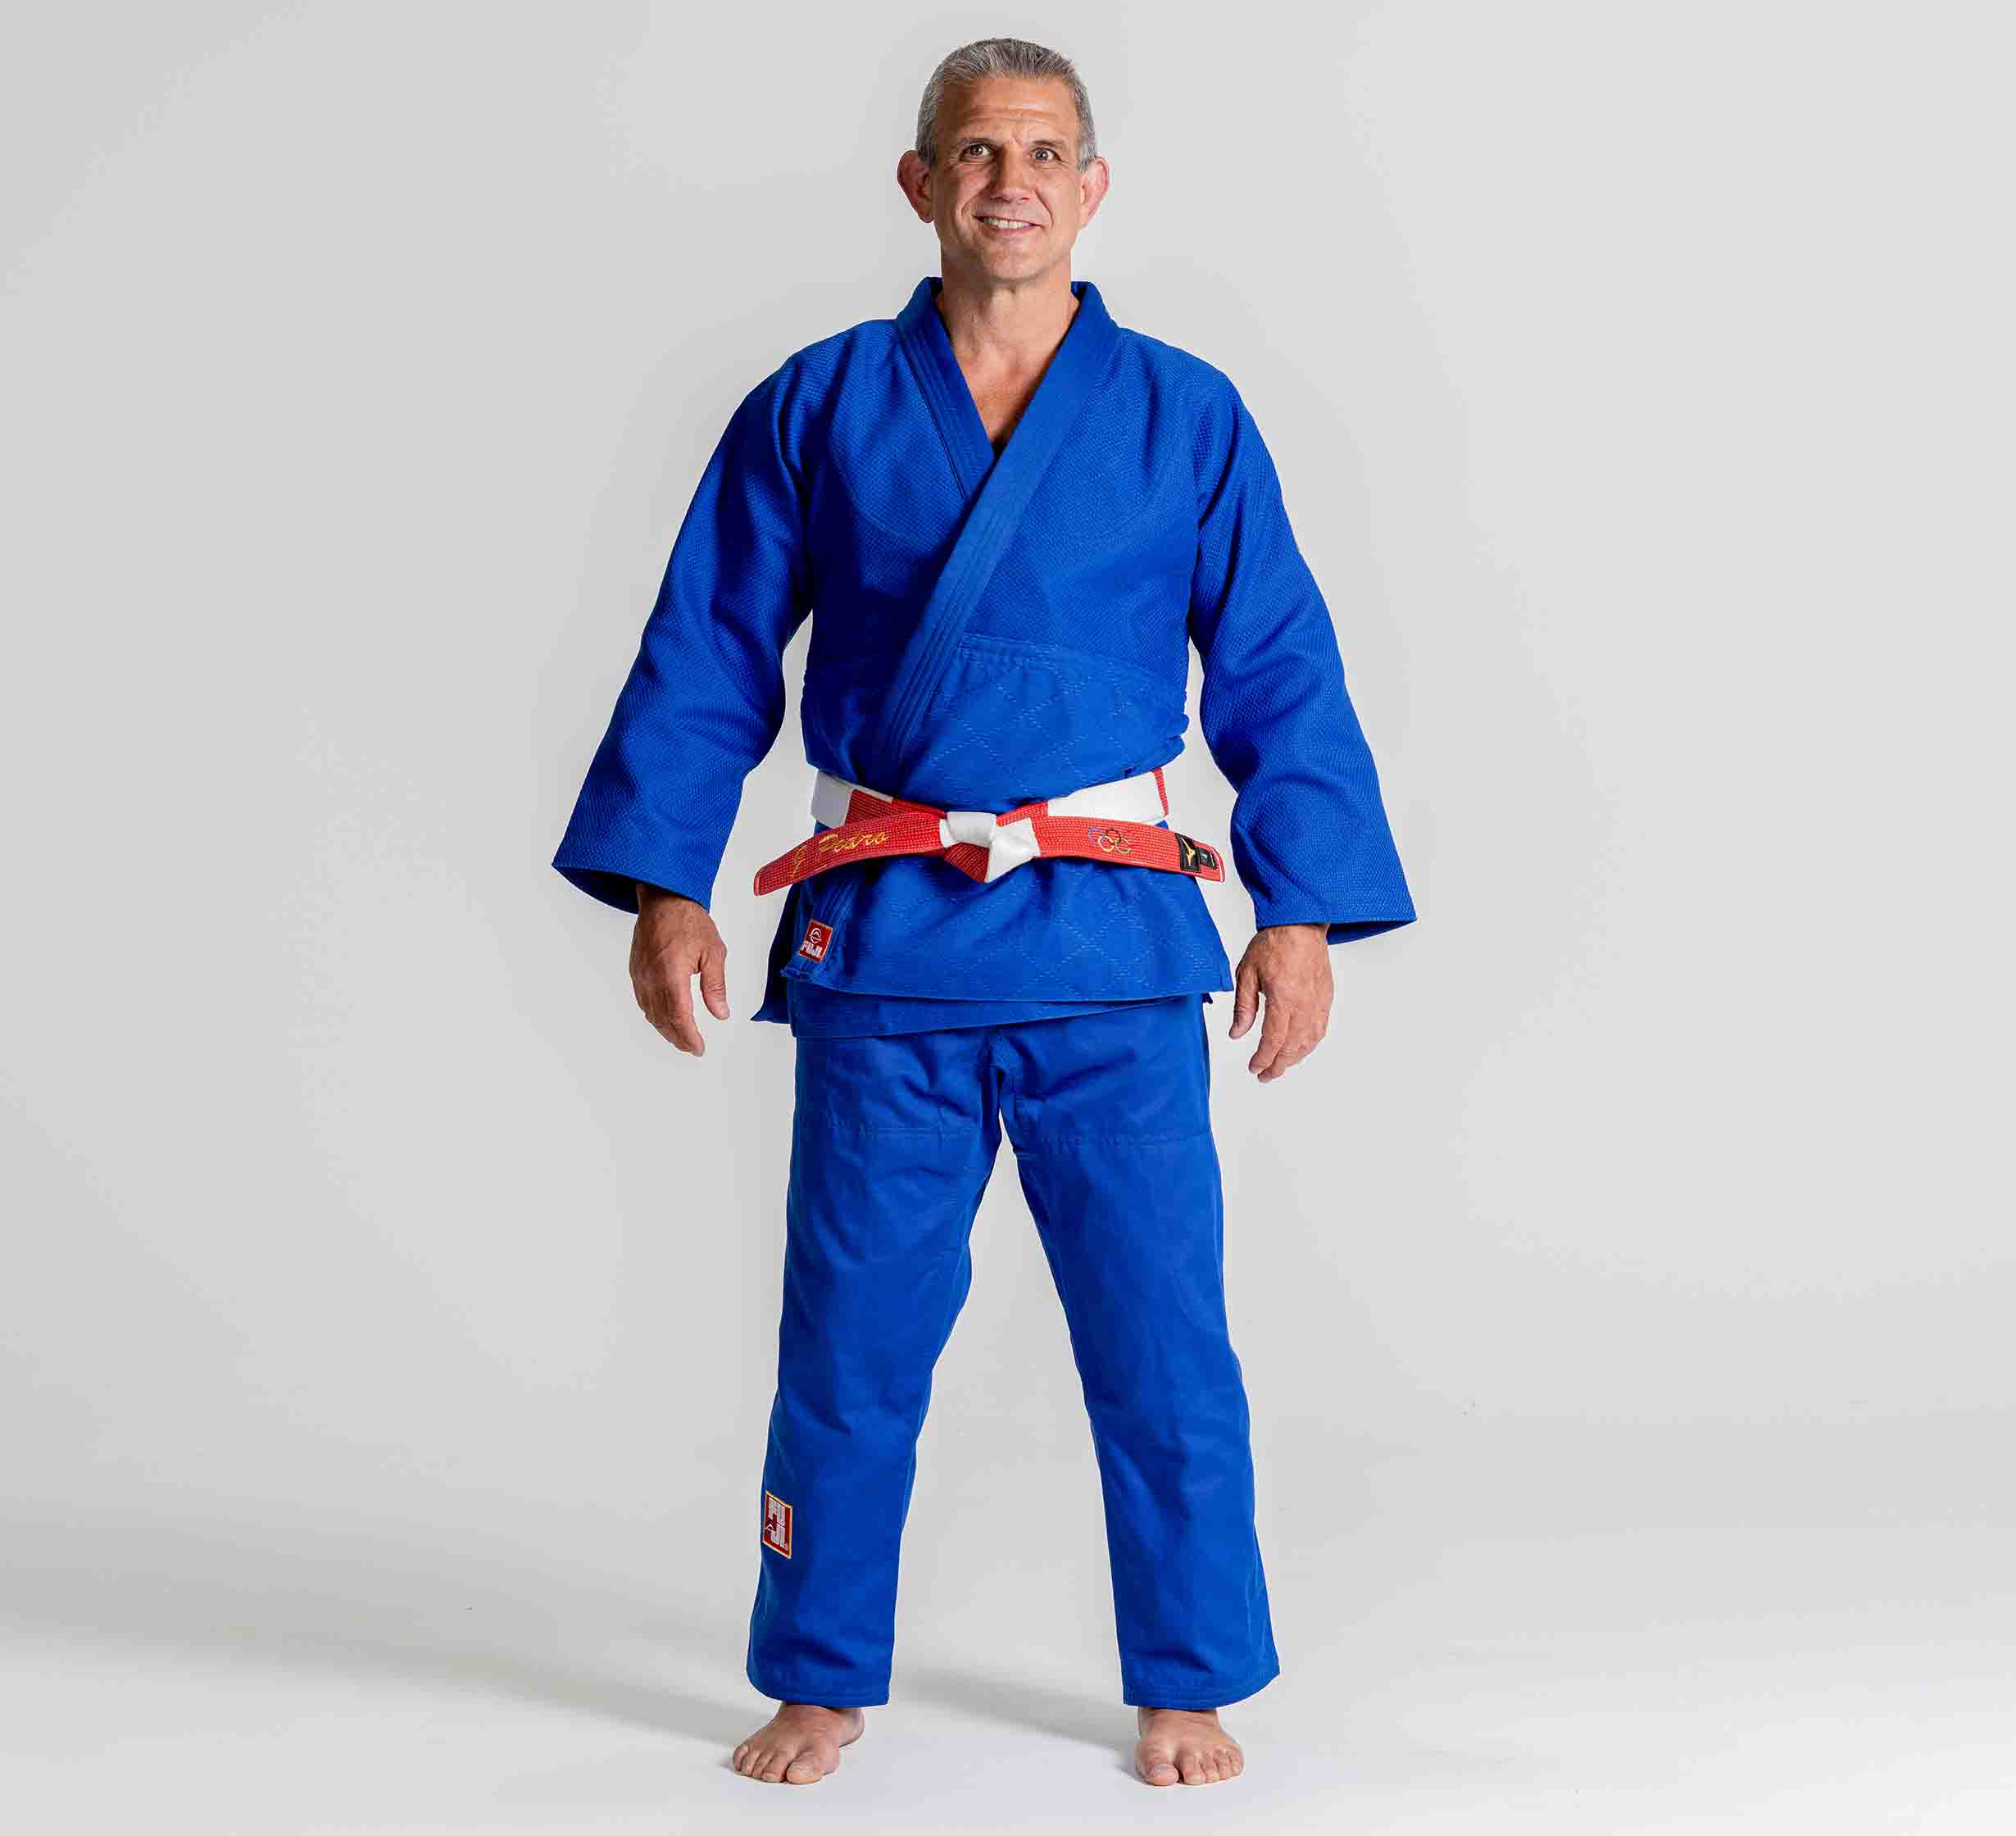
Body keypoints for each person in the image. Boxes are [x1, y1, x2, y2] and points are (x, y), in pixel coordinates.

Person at [552, 35, 1414, 1789]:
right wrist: (665, 882)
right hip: (886, 945)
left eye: (1042, 151)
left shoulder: (1186, 416)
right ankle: (819, 1668)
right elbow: (710, 647)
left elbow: (1279, 673)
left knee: (1161, 1334)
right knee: (851, 1336)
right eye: (973, 150)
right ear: (920, 184)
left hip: (1113, 950)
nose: (1008, 180)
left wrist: (1303, 913)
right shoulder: (816, 405)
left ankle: (1188, 1669)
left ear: (1092, 189)